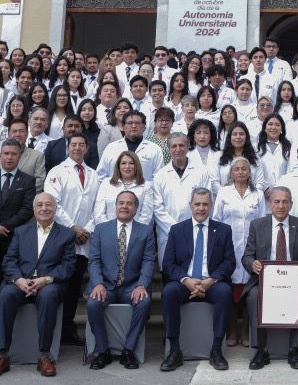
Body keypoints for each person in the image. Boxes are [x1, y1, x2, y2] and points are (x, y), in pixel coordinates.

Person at [0, 192, 76, 379]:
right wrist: (18, 279)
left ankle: (44, 355)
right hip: (21, 282)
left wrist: (45, 279)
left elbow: (68, 266)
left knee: (48, 295)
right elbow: (9, 260)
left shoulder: (66, 234)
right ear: (33, 210)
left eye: (48, 205)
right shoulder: (21, 231)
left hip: (49, 284)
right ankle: (2, 355)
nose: (44, 208)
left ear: (55, 208)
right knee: (5, 295)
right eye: (39, 205)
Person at [159, 187, 234, 372]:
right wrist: (186, 280)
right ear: (190, 206)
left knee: (225, 292)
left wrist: (211, 280)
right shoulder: (177, 230)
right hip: (185, 283)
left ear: (211, 206)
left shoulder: (223, 230)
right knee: (169, 292)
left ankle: (216, 349)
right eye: (197, 204)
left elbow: (229, 262)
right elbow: (168, 264)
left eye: (205, 204)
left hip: (212, 283)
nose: (201, 208)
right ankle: (174, 350)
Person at [244, 185, 298, 370]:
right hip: (264, 281)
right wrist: (253, 264)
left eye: (285, 202)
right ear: (270, 205)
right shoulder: (257, 225)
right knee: (254, 297)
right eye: (277, 202)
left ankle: (294, 350)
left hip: (293, 282)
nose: (281, 206)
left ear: (291, 204)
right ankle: (260, 350)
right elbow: (247, 256)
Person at [86, 190, 156, 369]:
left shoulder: (146, 231)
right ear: (115, 206)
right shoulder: (101, 229)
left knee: (144, 302)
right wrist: (98, 283)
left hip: (131, 286)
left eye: (129, 203)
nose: (124, 206)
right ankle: (103, 352)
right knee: (93, 304)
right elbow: (94, 260)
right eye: (121, 203)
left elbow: (149, 261)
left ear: (136, 209)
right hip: (106, 286)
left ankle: (128, 350)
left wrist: (142, 285)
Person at [42, 132, 97, 345]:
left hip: (85, 239)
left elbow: (97, 206)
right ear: (67, 148)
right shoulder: (57, 172)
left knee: (74, 288)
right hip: (63, 237)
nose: (77, 148)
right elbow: (53, 204)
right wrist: (73, 228)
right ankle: (54, 328)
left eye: (81, 145)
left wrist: (86, 229)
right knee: (59, 285)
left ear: (86, 148)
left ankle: (68, 329)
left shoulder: (93, 174)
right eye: (73, 145)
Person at [210, 156, 264, 346]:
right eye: (237, 169)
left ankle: (245, 329)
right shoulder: (224, 193)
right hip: (228, 247)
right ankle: (232, 329)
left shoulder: (257, 194)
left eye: (244, 168)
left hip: (251, 249)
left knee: (250, 289)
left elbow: (262, 221)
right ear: (231, 173)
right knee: (230, 289)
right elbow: (216, 220)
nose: (241, 171)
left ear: (250, 173)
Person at [0, 140, 37, 264]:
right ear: (0, 156)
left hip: (13, 235)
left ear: (19, 157)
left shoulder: (28, 181)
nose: (9, 157)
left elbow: (27, 209)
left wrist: (5, 226)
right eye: (6, 153)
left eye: (13, 154)